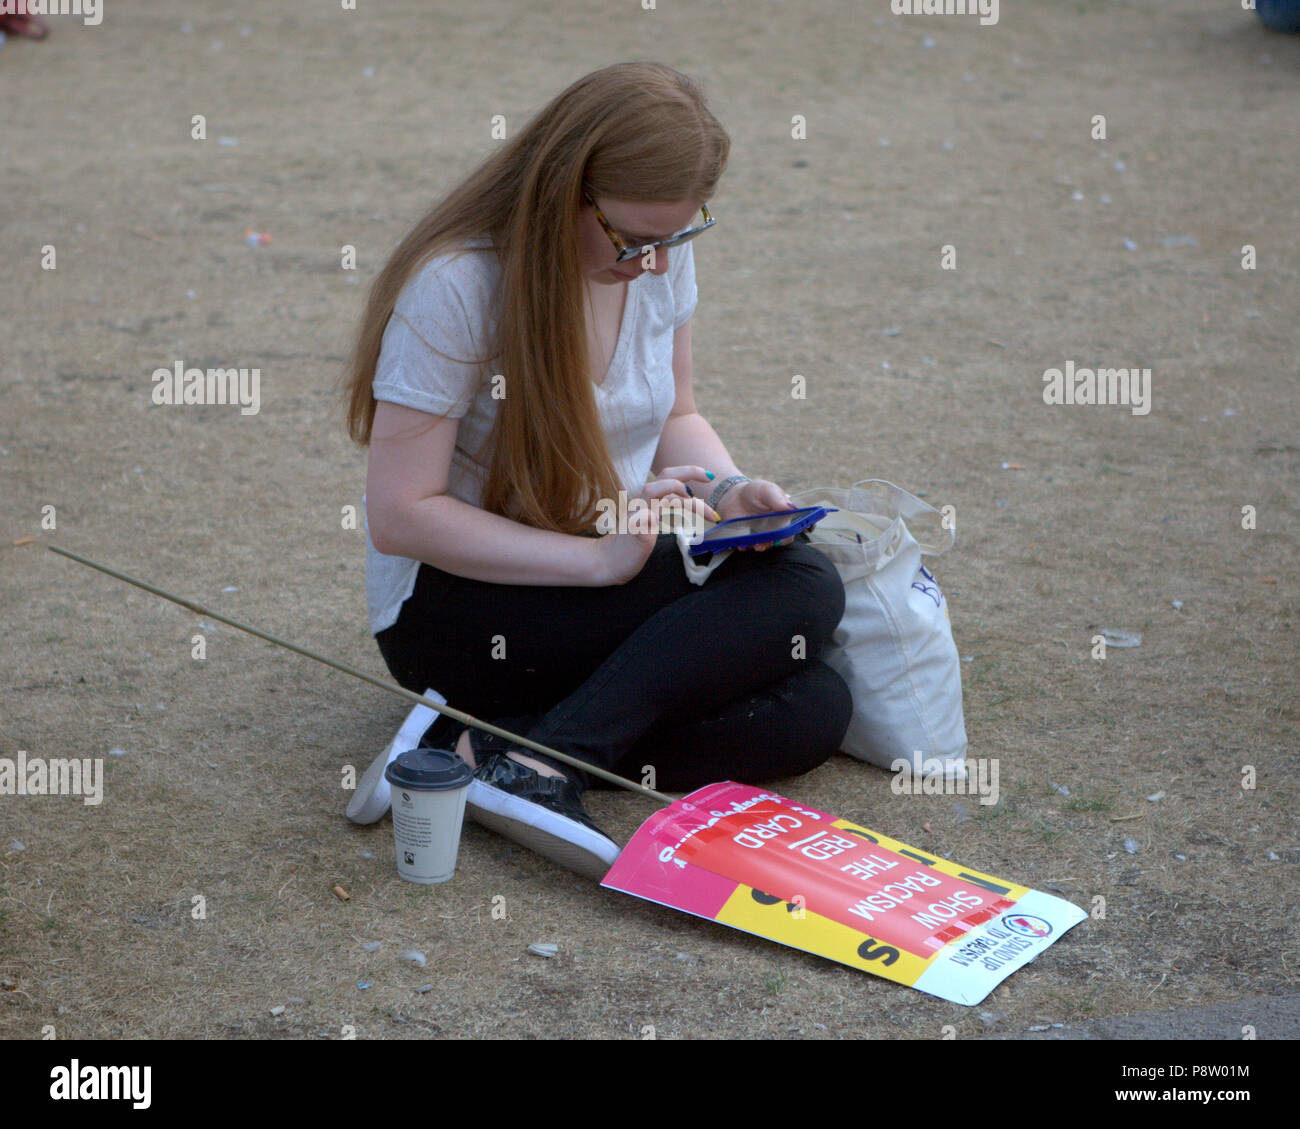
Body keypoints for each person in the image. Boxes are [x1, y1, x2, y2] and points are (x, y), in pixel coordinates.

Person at [343, 62, 852, 880]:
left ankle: (479, 745)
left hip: (595, 566)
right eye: (634, 238)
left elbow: (674, 415)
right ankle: (546, 767)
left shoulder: (654, 262)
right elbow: (403, 513)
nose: (653, 263)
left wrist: (729, 494)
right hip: (456, 607)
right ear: (565, 191)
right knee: (805, 591)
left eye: (677, 237)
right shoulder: (458, 283)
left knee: (814, 709)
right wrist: (594, 560)